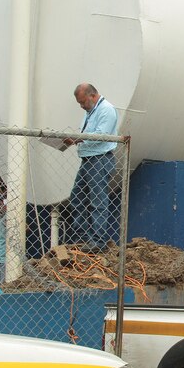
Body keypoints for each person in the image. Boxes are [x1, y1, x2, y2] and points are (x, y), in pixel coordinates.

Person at [64, 83, 118, 252]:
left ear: (92, 96)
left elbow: (101, 135)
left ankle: (98, 242)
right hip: (88, 160)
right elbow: (90, 135)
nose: (81, 106)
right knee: (77, 198)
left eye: (83, 102)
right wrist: (78, 139)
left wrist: (78, 139)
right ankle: (83, 237)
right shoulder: (91, 112)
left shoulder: (106, 110)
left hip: (99, 160)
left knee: (98, 201)